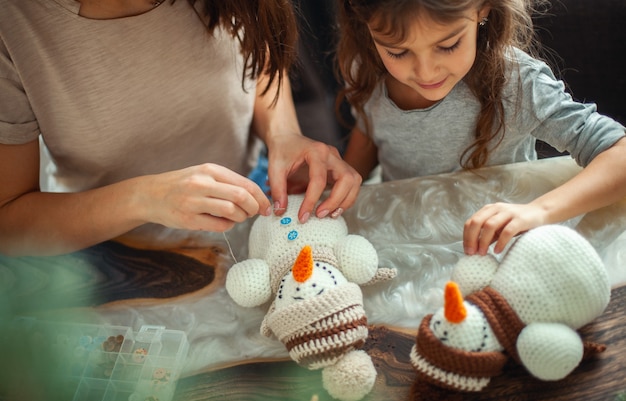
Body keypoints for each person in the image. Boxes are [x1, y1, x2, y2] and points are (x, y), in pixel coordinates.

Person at [0, 0, 362, 257]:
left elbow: (259, 48)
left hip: (253, 194)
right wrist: (143, 198)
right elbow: (9, 221)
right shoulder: (13, 24)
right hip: (103, 245)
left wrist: (282, 132)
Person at [335, 0, 626, 256]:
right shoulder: (365, 68)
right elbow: (370, 130)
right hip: (402, 242)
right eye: (398, 52)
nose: (426, 72)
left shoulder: (519, 85)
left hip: (498, 249)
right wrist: (335, 192)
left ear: (483, 8)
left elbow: (619, 155)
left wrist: (539, 211)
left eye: (448, 45)